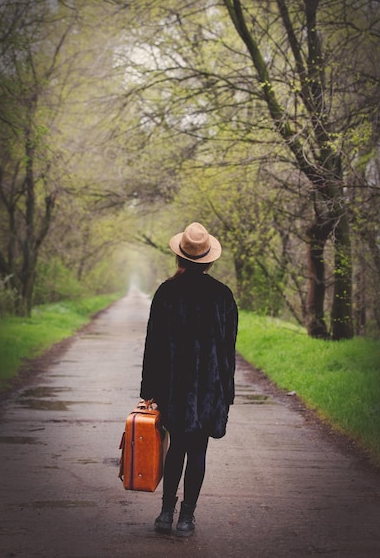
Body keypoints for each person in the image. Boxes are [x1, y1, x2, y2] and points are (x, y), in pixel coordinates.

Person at [140, 222, 238, 537]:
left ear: (180, 258)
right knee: (198, 451)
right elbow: (227, 349)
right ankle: (186, 519)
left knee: (176, 446)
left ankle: (166, 513)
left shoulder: (166, 292)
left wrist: (148, 391)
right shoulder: (222, 295)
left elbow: (152, 345)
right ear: (208, 259)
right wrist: (228, 393)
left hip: (173, 388)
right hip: (210, 388)